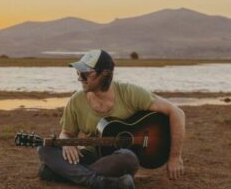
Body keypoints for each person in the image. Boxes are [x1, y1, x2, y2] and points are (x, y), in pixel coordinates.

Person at [37, 49, 185, 189]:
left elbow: (177, 112)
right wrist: (66, 143)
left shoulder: (129, 93)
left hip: (117, 160)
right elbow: (67, 133)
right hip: (90, 157)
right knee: (44, 148)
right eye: (78, 73)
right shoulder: (76, 101)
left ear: (105, 74)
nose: (79, 78)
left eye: (85, 74)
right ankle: (99, 182)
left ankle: (66, 174)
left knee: (128, 157)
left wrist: (175, 157)